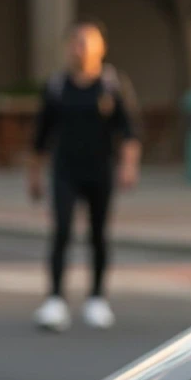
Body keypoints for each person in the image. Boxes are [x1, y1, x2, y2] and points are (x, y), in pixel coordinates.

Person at [28, 21, 141, 332]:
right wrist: (34, 175)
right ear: (68, 48)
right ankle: (54, 300)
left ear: (101, 48)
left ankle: (96, 298)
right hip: (65, 170)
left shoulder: (111, 85)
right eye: (76, 42)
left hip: (100, 170)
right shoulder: (56, 87)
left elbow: (129, 131)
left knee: (98, 234)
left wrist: (129, 165)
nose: (81, 48)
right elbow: (41, 136)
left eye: (88, 42)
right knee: (62, 231)